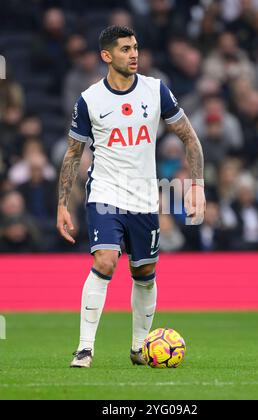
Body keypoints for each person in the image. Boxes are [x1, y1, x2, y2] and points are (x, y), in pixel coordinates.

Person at [56, 26, 206, 368]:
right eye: (125, 49)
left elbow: (190, 139)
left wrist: (196, 185)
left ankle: (139, 348)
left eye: (136, 47)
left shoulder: (156, 90)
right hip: (105, 193)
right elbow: (72, 155)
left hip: (144, 197)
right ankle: (84, 348)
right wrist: (63, 203)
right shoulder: (90, 99)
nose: (134, 54)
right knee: (105, 261)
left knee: (145, 272)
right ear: (107, 56)